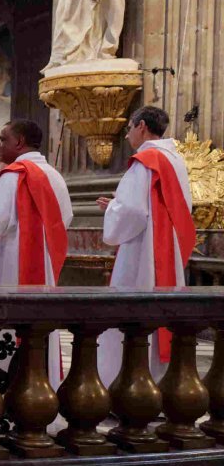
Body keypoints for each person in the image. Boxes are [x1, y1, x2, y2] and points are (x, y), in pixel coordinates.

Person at [96, 105, 193, 385]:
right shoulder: (175, 160)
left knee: (132, 315)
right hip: (166, 247)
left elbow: (134, 212)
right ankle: (158, 386)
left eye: (128, 129)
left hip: (142, 250)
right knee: (160, 315)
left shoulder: (145, 160)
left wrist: (114, 210)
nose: (127, 136)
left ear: (141, 126)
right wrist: (119, 204)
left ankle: (125, 385)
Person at [0, 119, 72, 385]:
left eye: (4, 139)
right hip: (43, 267)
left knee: (7, 326)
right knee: (39, 326)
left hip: (9, 263)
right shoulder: (54, 176)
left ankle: (7, 391)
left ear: (19, 142)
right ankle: (42, 389)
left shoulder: (14, 174)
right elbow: (65, 219)